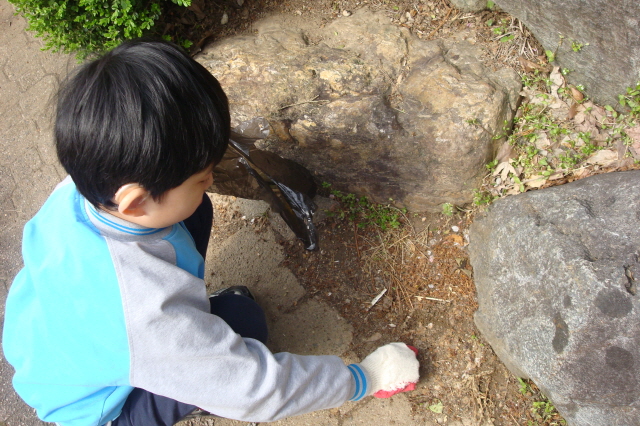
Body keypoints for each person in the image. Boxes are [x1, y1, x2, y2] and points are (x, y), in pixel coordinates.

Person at [2, 39, 419, 426]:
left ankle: (186, 352)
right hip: (100, 405)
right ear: (134, 200)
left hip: (54, 341)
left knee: (194, 215)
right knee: (245, 323)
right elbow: (254, 389)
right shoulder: (145, 319)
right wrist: (364, 377)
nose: (212, 179)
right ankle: (187, 386)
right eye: (202, 177)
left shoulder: (81, 189)